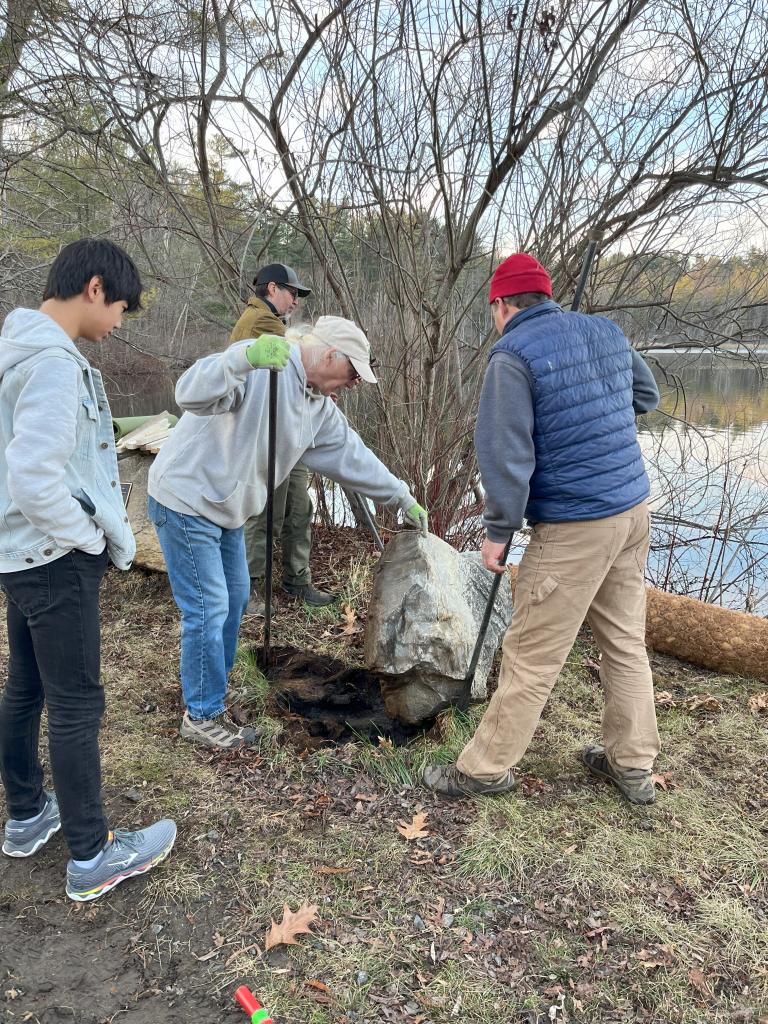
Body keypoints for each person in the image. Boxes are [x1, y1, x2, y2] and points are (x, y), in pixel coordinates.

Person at [423, 253, 661, 805]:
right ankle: (632, 766)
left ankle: (483, 769)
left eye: (493, 309)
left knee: (532, 651)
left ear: (501, 305)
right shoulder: (604, 330)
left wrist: (498, 532)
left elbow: (506, 454)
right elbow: (645, 397)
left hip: (577, 524)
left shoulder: (512, 355)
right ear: (547, 297)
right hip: (631, 508)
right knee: (626, 643)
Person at [147, 315, 428, 750]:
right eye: (353, 372)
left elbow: (353, 456)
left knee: (236, 597)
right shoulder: (263, 370)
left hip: (227, 510)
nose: (354, 384)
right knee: (207, 607)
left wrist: (400, 497)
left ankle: (212, 695)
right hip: (186, 497)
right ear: (330, 353)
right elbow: (189, 392)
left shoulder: (317, 407)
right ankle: (200, 715)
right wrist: (243, 357)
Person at [0, 238, 176, 901]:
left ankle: (25, 816)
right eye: (123, 309)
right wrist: (87, 540)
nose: (120, 324)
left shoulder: (13, 351)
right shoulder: (50, 364)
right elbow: (32, 476)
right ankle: (92, 854)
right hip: (52, 557)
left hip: (18, 554)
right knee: (77, 704)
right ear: (96, 289)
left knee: (26, 689)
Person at [230, 263, 334, 614]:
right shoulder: (261, 322)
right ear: (271, 289)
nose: (295, 301)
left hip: (288, 428)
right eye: (292, 293)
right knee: (264, 513)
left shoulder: (273, 321)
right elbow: (297, 358)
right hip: (266, 433)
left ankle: (297, 579)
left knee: (299, 508)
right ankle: (252, 589)